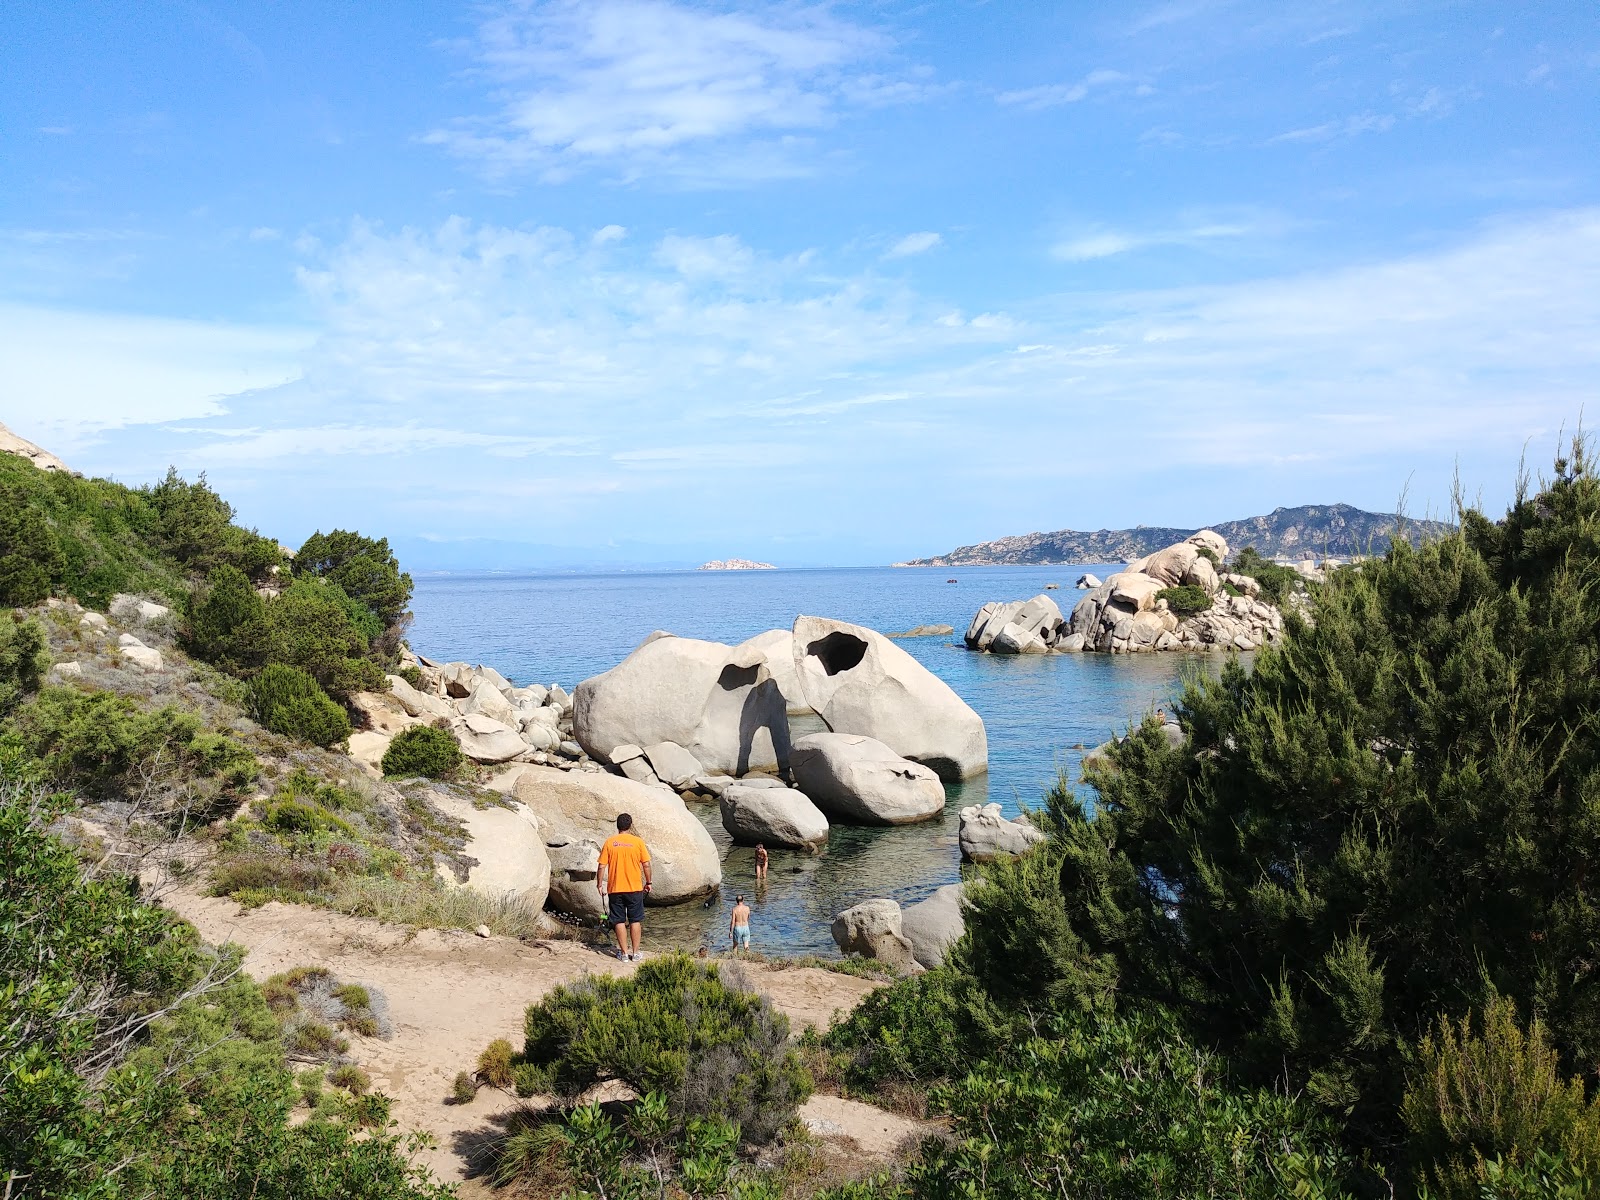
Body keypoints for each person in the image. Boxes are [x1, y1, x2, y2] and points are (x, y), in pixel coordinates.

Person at [596, 812, 651, 962]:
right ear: (630, 825)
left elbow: (601, 866)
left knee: (618, 920)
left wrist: (599, 884)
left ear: (617, 826)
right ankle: (636, 953)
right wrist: (649, 882)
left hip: (615, 888)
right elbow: (646, 864)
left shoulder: (610, 842)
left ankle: (624, 954)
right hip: (634, 888)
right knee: (635, 920)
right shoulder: (638, 842)